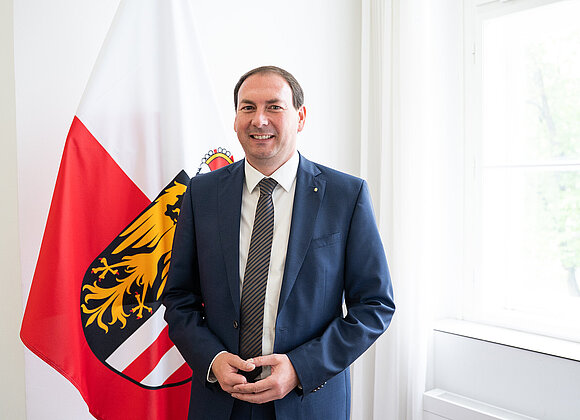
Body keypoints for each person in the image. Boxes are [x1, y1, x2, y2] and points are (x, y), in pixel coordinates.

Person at [163, 65, 395, 420]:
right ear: (235, 119)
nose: (259, 120)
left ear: (300, 117)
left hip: (307, 401)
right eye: (248, 107)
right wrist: (212, 359)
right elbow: (180, 298)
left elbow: (375, 305)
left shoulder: (346, 196)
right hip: (221, 402)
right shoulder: (201, 193)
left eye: (274, 107)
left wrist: (301, 368)